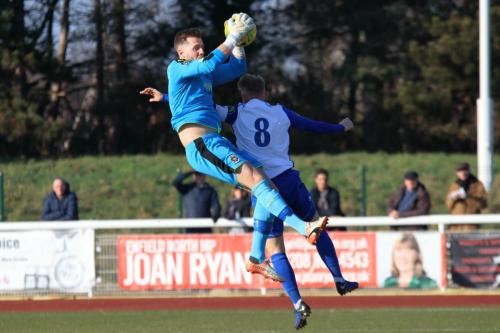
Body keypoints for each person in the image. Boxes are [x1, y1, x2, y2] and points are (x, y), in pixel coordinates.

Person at [145, 74, 357, 329]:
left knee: (275, 248)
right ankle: (339, 278)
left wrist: (165, 97)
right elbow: (312, 125)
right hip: (289, 180)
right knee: (316, 226)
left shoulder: (235, 113)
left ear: (243, 94)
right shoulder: (282, 111)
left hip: (264, 186)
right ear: (265, 92)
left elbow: (198, 108)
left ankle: (297, 302)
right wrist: (341, 127)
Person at [140, 15, 328, 283]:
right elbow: (210, 63)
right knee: (256, 178)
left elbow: (237, 68)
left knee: (263, 180)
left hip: (215, 142)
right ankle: (303, 227)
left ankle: (254, 259)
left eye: (202, 46)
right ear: (181, 51)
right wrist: (232, 37)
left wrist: (238, 45)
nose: (201, 50)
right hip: (201, 144)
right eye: (196, 47)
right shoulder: (176, 67)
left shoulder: (201, 74)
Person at [445, 163, 487, 231]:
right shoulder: (454, 185)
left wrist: (468, 197)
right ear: (457, 173)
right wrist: (453, 198)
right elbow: (448, 205)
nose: (462, 173)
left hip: (471, 225)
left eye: (464, 170)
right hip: (456, 226)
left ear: (469, 170)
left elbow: (483, 204)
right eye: (459, 171)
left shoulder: (478, 185)